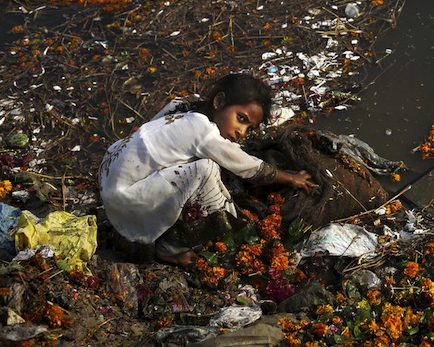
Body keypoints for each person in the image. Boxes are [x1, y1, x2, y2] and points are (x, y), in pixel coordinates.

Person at [99, 73, 318, 266]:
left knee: (199, 166)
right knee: (206, 169)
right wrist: (290, 178)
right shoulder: (204, 132)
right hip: (125, 197)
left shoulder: (185, 106)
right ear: (219, 101)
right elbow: (248, 168)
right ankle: (169, 248)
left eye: (249, 128)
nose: (242, 131)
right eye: (241, 119)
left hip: (109, 175)